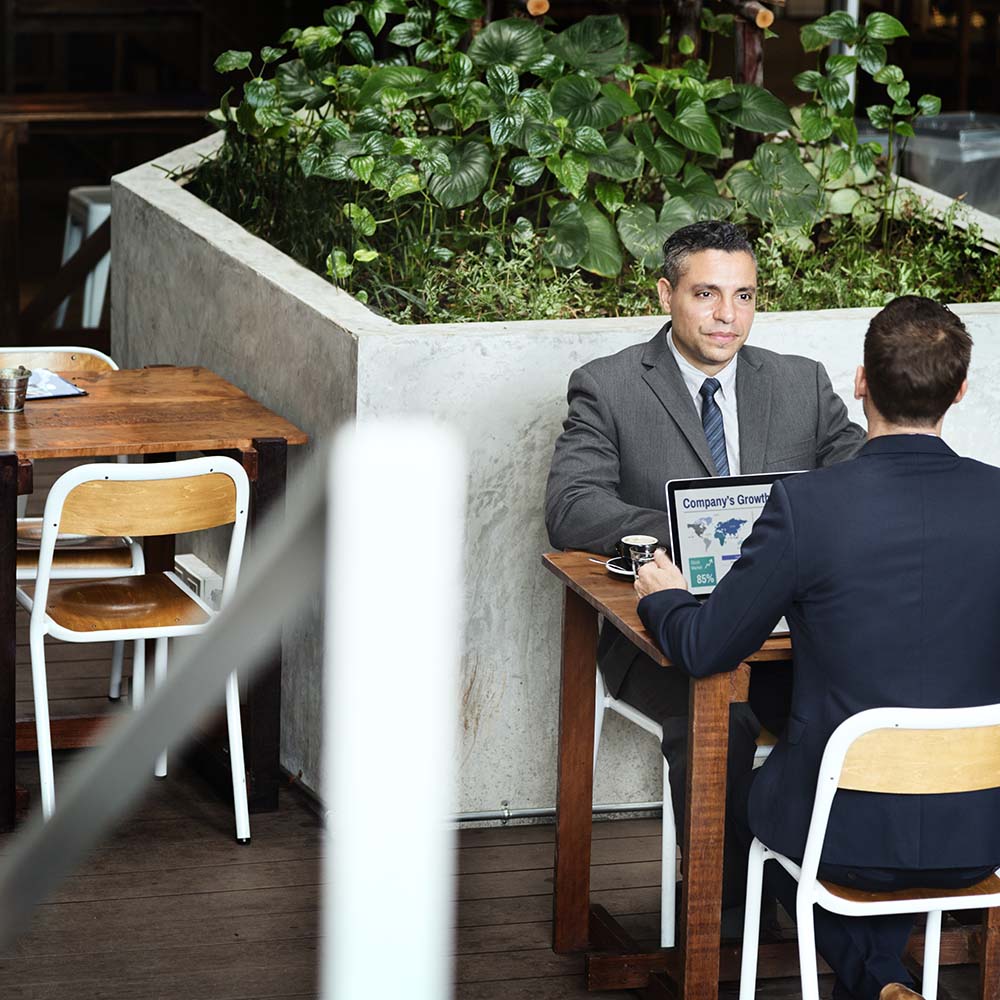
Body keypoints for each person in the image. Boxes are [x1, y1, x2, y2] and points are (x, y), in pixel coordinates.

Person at [634, 295, 1000, 1000]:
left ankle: (874, 978)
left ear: (860, 381)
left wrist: (663, 594)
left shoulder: (809, 506)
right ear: (959, 391)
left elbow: (705, 649)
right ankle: (885, 980)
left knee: (747, 797)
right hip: (979, 833)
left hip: (844, 834)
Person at [544, 220, 865, 874]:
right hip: (664, 635)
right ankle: (723, 913)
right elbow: (571, 507)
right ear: (666, 294)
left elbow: (863, 478)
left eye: (744, 296)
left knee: (860, 704)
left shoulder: (800, 382)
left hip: (787, 635)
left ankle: (833, 888)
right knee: (723, 723)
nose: (727, 315)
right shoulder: (608, 384)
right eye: (706, 294)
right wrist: (696, 528)